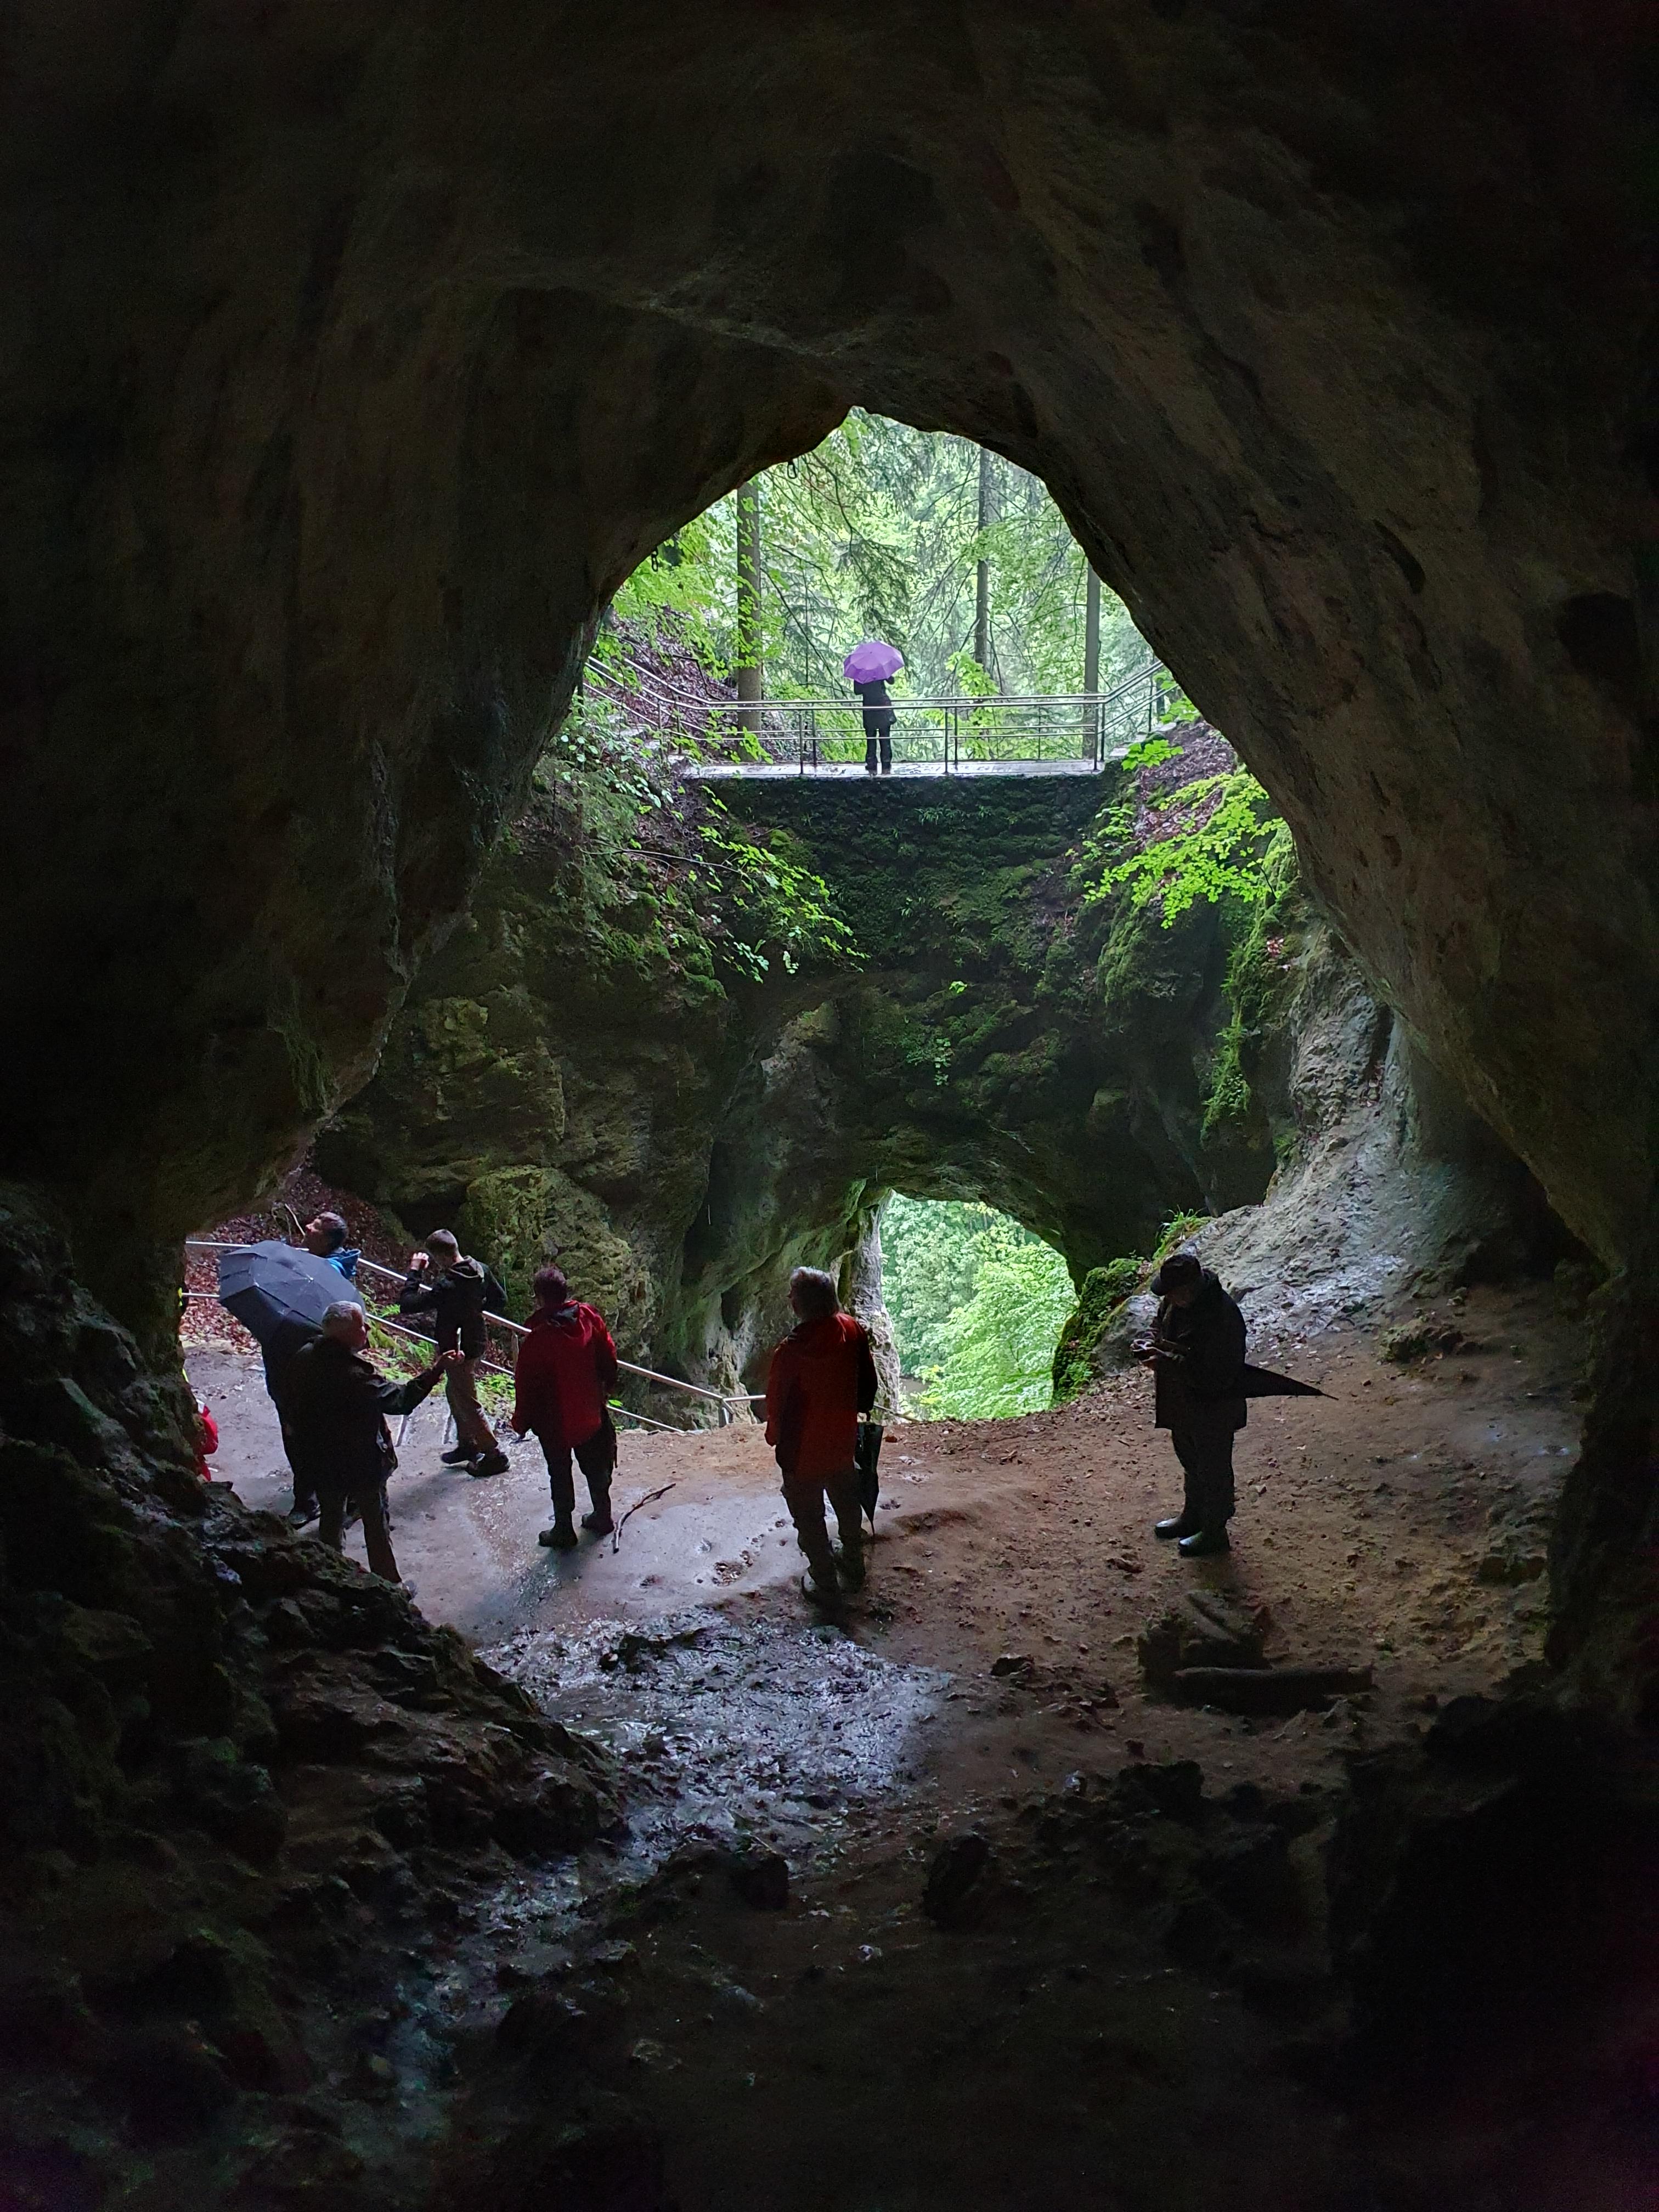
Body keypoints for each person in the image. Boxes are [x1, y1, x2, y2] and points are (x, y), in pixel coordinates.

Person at [281, 1302, 460, 1584]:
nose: (366, 1329)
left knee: (331, 1519)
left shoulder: (304, 1357)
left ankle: (330, 1578)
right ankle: (389, 1584)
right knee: (376, 1522)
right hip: (361, 1462)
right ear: (344, 1335)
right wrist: (437, 1370)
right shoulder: (354, 1375)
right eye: (360, 1326)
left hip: (320, 1458)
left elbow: (291, 1403)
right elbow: (400, 1400)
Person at [765, 1266, 878, 1606]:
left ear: (800, 1304)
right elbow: (868, 1386)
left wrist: (775, 1436)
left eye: (793, 1295)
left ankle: (825, 1578)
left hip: (802, 1451)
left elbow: (777, 1404)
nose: (789, 1298)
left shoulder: (791, 1352)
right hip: (842, 1441)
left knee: (809, 1514)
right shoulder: (852, 1330)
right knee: (846, 1498)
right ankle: (854, 1561)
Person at [1134, 1249, 1247, 1558]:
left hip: (1214, 1405)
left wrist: (1165, 1361)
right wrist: (1148, 1341)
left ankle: (1215, 1531)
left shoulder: (1222, 1314)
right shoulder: (1175, 1302)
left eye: (1172, 1292)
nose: (1167, 1298)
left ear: (1189, 1288)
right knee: (1190, 1459)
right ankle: (1192, 1516)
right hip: (1184, 1401)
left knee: (1213, 1467)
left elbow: (1219, 1371)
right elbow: (1158, 1325)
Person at [510, 1266, 619, 1550]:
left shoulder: (538, 1340)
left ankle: (564, 1530)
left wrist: (521, 1421)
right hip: (591, 1412)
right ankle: (602, 1516)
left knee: (559, 1473)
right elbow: (608, 1354)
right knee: (596, 1467)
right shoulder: (589, 1318)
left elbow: (526, 1385)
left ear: (539, 1298)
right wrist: (608, 1385)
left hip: (555, 1422)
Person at [398, 1230, 511, 1476]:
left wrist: (415, 1271)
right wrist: (475, 1309)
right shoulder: (481, 1270)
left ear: (441, 1256)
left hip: (457, 1350)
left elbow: (408, 1304)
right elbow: (500, 1300)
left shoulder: (448, 1285)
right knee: (454, 1392)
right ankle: (468, 1444)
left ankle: (494, 1455)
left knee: (467, 1401)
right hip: (476, 1341)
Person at [297, 1209, 360, 1282]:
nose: (308, 1226)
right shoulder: (315, 1255)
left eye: (316, 1227)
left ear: (327, 1240)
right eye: (312, 1223)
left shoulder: (329, 1273)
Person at [854, 675, 896, 775]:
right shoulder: (879, 670)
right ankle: (885, 766)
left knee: (872, 738)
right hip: (881, 706)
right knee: (883, 738)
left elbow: (857, 691)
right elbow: (891, 681)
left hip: (870, 706)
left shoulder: (861, 673)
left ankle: (873, 766)